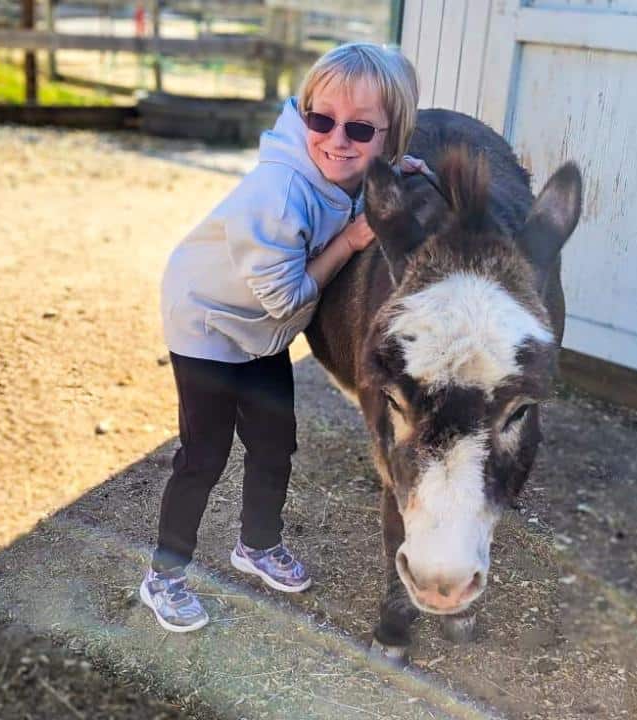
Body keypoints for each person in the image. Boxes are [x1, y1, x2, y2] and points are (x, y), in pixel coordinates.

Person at [142, 42, 423, 632]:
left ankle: (257, 544)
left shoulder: (342, 167)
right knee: (204, 455)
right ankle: (163, 575)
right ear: (302, 115)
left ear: (389, 137)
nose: (337, 140)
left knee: (274, 443)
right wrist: (350, 242)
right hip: (210, 323)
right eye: (319, 121)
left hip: (261, 333)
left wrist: (394, 174)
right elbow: (290, 300)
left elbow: (358, 175)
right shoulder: (277, 194)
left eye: (361, 130)